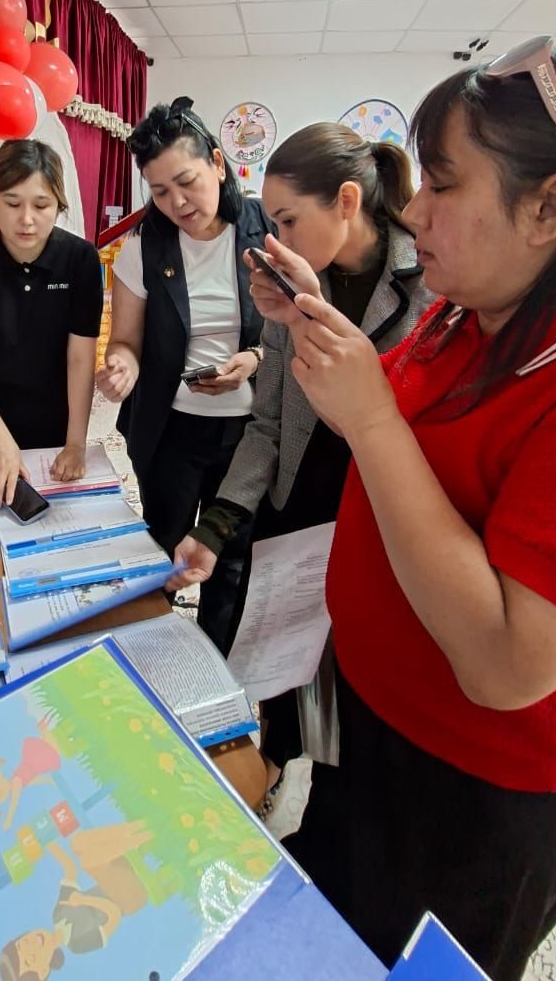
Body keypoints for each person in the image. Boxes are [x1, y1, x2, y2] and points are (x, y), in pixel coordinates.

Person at [222, 40, 556, 980]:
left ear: (550, 206)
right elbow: (391, 404)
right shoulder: (463, 307)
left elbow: (507, 664)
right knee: (328, 933)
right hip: (371, 729)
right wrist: (316, 314)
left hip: (475, 792)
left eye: (441, 184)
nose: (414, 211)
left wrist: (371, 425)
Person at [169, 122, 433, 797]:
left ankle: (349, 789)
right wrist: (216, 526)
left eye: (287, 220)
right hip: (297, 507)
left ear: (347, 201)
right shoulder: (290, 289)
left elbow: (392, 411)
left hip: (378, 515)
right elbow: (266, 427)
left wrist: (305, 312)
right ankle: (281, 761)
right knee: (284, 656)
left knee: (361, 675)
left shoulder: (428, 284)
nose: (276, 239)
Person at [95, 97, 270, 650]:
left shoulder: (266, 229)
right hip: (171, 426)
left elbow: (296, 327)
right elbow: (125, 339)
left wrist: (256, 361)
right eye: (159, 191)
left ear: (219, 163)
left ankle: (218, 662)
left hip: (248, 431)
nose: (176, 202)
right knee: (162, 543)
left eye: (186, 182)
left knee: (234, 555)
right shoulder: (146, 244)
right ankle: (153, 657)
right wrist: (122, 364)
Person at [0, 140, 103, 505]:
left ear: (59, 205)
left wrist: (76, 442)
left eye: (42, 205)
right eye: (12, 203)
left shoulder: (80, 260)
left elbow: (80, 357)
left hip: (58, 413)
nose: (26, 219)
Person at [0, 822, 154, 978]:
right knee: (88, 860)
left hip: (115, 875)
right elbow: (115, 916)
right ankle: (148, 834)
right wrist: (83, 900)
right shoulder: (77, 944)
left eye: (23, 943)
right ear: (43, 971)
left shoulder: (57, 915)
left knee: (77, 842)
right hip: (129, 898)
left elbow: (70, 869)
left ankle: (138, 826)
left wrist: (47, 843)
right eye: (30, 959)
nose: (32, 945)